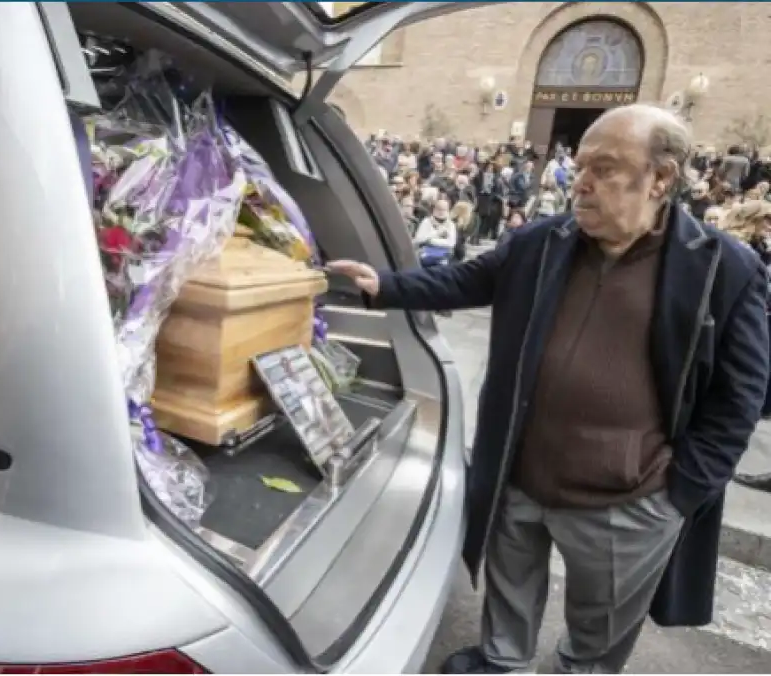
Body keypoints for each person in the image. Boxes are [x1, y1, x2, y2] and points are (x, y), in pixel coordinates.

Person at [327, 104, 769, 675]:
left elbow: (741, 396)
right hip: (522, 479)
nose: (579, 182)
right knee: (509, 588)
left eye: (605, 168)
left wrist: (679, 493)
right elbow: (466, 279)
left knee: (601, 625)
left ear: (661, 178)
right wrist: (382, 287)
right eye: (579, 164)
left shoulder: (721, 267)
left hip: (629, 500)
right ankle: (501, 661)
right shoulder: (544, 241)